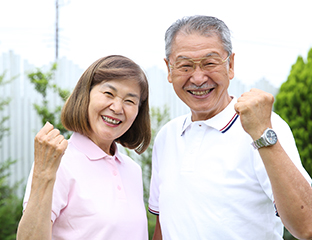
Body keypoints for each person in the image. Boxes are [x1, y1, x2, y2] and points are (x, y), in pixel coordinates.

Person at [148, 15, 312, 240]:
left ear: (231, 65)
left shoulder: (265, 127)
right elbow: (163, 226)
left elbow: (307, 226)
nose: (197, 78)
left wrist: (262, 134)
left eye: (210, 63)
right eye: (185, 66)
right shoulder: (167, 136)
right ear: (169, 69)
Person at [17, 55, 151, 240]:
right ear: (85, 94)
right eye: (109, 94)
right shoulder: (58, 162)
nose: (118, 108)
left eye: (130, 101)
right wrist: (43, 174)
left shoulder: (132, 169)